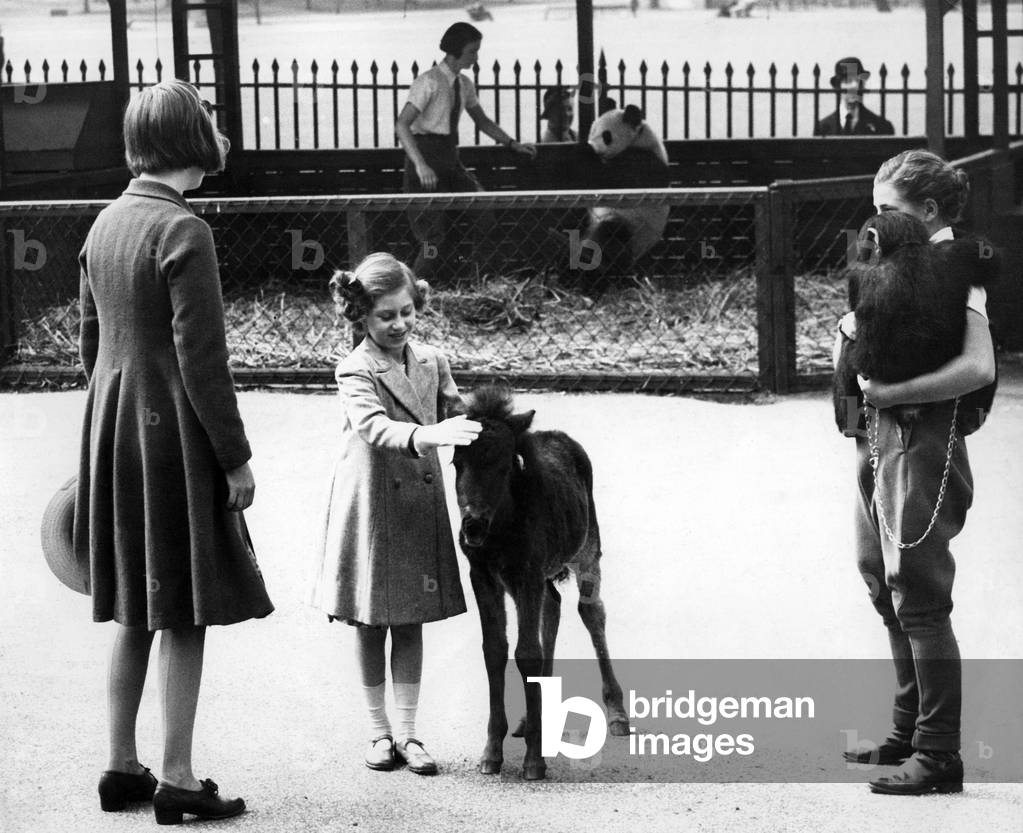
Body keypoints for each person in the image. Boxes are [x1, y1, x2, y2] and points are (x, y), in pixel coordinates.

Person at [75, 79, 273, 823]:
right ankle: (179, 776)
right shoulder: (185, 231)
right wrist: (234, 457)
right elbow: (203, 362)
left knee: (134, 604)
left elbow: (92, 349)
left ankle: (121, 763)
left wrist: (109, 420)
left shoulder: (105, 224)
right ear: (192, 139)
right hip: (172, 437)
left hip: (116, 429)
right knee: (184, 607)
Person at [836, 150, 996, 795]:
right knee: (881, 581)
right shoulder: (894, 262)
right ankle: (907, 731)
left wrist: (895, 397)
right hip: (878, 435)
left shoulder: (958, 271)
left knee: (919, 593)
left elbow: (978, 367)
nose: (876, 223)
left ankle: (939, 755)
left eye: (890, 210)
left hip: (924, 437)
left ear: (928, 213)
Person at [309, 253, 482, 775]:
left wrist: (489, 425)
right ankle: (378, 732)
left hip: (417, 501)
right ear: (361, 315)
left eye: (408, 311)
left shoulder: (431, 359)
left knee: (411, 618)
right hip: (372, 504)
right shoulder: (355, 367)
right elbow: (373, 426)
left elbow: (456, 409)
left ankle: (409, 734)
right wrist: (426, 436)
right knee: (370, 619)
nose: (400, 324)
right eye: (387, 316)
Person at [395, 22, 536, 279]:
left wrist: (512, 144)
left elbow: (482, 122)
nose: (476, 57)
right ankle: (414, 290)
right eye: (472, 51)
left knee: (484, 211)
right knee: (432, 238)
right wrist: (420, 165)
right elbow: (402, 124)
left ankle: (477, 279)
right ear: (455, 51)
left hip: (450, 159)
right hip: (425, 161)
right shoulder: (427, 82)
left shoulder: (465, 84)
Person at [814, 57, 895, 136]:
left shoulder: (882, 127)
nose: (854, 85)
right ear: (838, 86)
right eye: (848, 81)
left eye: (858, 80)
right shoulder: (822, 128)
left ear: (863, 85)